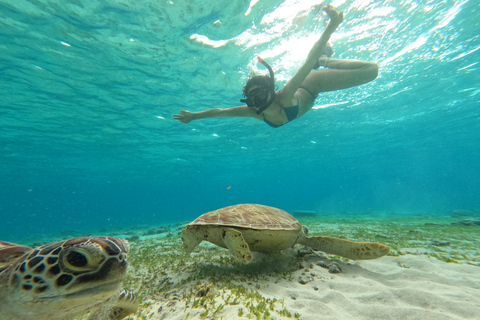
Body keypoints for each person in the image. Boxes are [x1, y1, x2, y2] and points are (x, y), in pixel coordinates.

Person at [173, 4, 378, 128]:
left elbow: (307, 64)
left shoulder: (284, 95)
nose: (257, 101)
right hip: (307, 92)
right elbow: (220, 111)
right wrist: (194, 117)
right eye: (253, 98)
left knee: (371, 70)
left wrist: (331, 27)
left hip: (310, 84)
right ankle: (322, 59)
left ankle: (323, 60)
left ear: (271, 91)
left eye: (260, 95)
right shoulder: (254, 111)